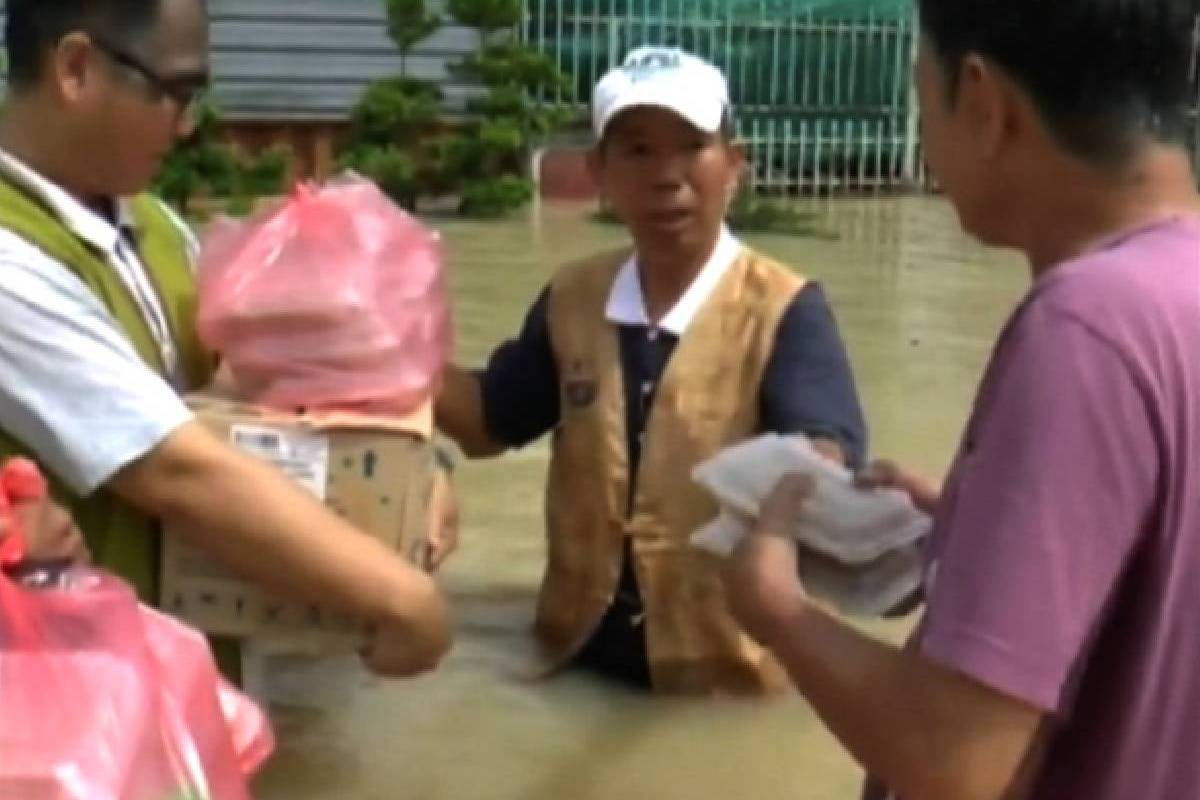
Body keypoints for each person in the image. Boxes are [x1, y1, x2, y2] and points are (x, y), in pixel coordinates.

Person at [722, 0, 1200, 796]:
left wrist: (776, 609)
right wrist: (973, 529)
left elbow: (955, 761)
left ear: (982, 103)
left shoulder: (1083, 328)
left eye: (920, 91)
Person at [0, 0, 452, 679]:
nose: (185, 127)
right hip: (73, 710)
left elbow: (266, 397)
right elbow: (174, 470)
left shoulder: (150, 226)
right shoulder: (11, 259)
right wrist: (403, 600)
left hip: (179, 687)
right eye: (174, 92)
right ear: (75, 68)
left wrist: (417, 464)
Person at [437, 47, 866, 695]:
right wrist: (386, 358)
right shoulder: (573, 298)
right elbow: (489, 423)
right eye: (636, 151)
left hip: (725, 676)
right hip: (573, 657)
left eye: (691, 146)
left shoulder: (785, 310)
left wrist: (812, 473)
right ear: (598, 173)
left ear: (734, 165)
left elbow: (829, 456)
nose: (666, 176)